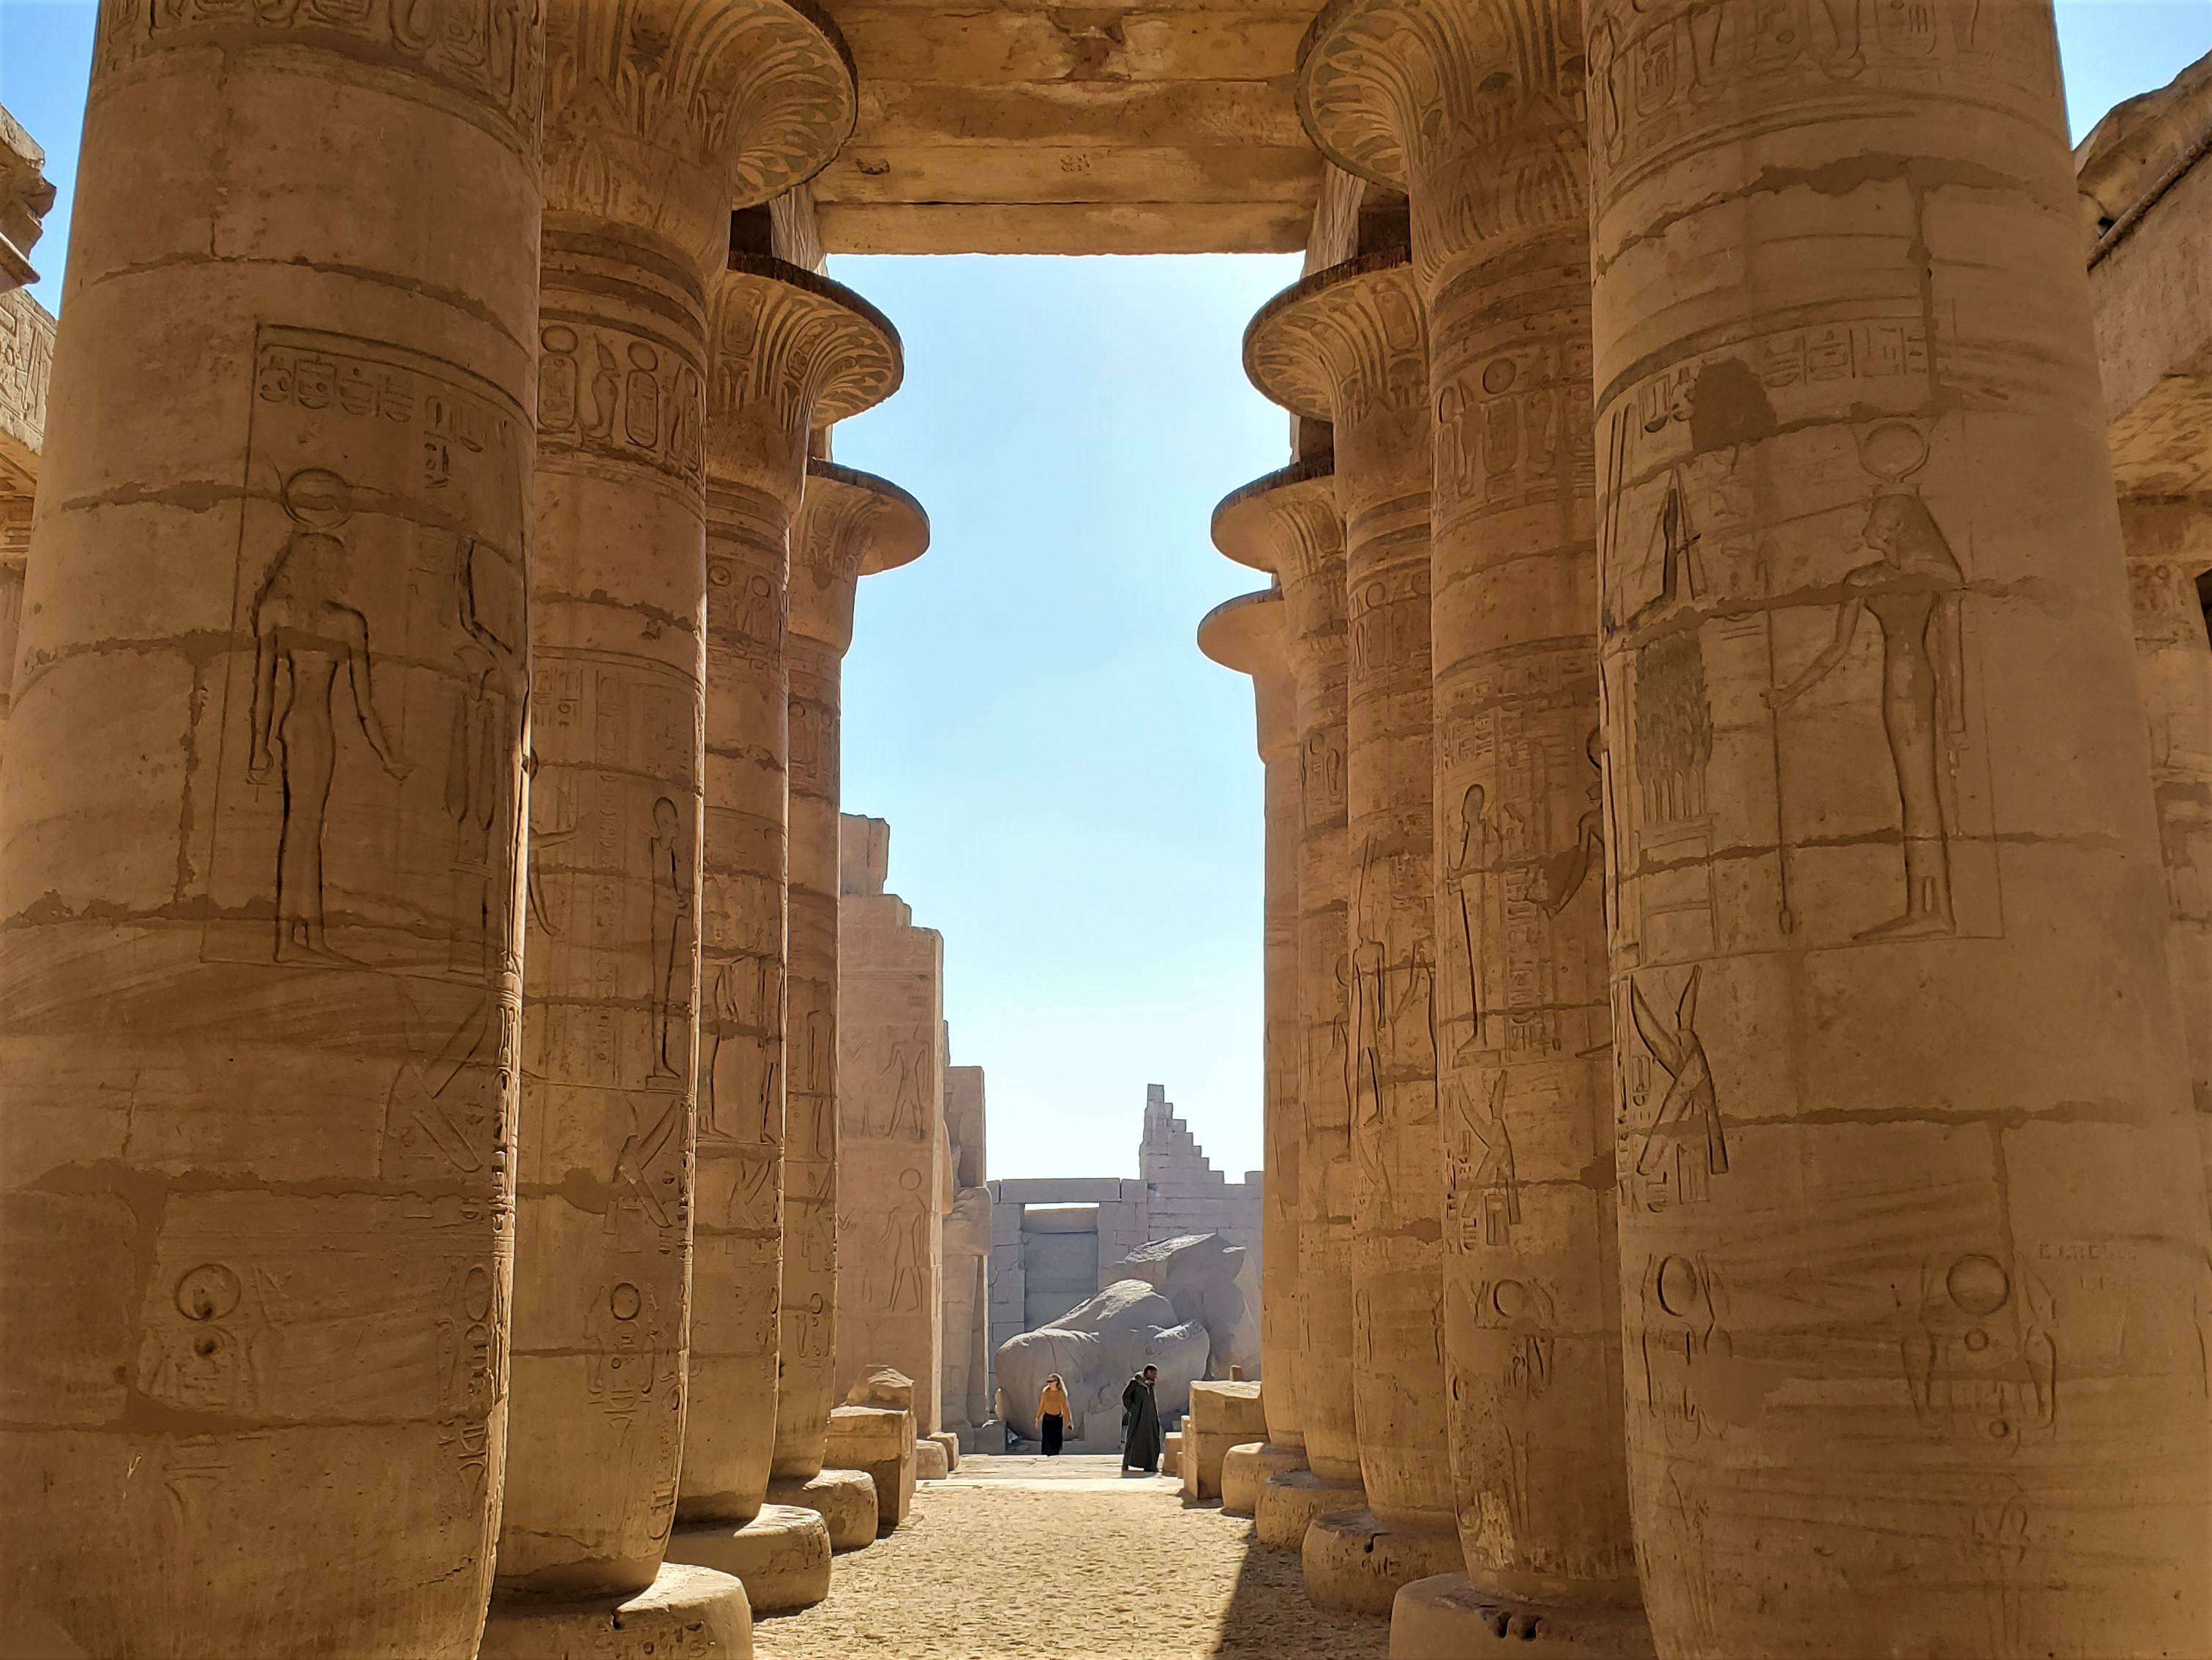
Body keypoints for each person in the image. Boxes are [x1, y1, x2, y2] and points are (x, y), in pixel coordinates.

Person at [1121, 1364, 1162, 1473]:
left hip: (1150, 1419)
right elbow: (1126, 1397)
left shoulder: (1151, 1385)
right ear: (1148, 1372)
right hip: (1138, 1418)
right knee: (1133, 1439)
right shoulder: (1135, 1383)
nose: (1155, 1377)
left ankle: (1150, 1465)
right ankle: (1127, 1462)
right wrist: (1133, 1409)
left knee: (1152, 1441)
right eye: (1154, 1374)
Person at [1038, 1374, 1072, 1457]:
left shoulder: (1061, 1393)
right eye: (1048, 1381)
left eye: (1051, 1381)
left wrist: (1069, 1421)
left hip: (1057, 1419)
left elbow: (1065, 1408)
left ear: (1056, 1382)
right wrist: (1038, 1417)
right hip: (1047, 1419)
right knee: (1047, 1440)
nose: (1049, 1383)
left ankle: (1055, 1456)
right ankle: (1046, 1457)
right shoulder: (1046, 1392)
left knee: (1056, 1441)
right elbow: (1042, 1406)